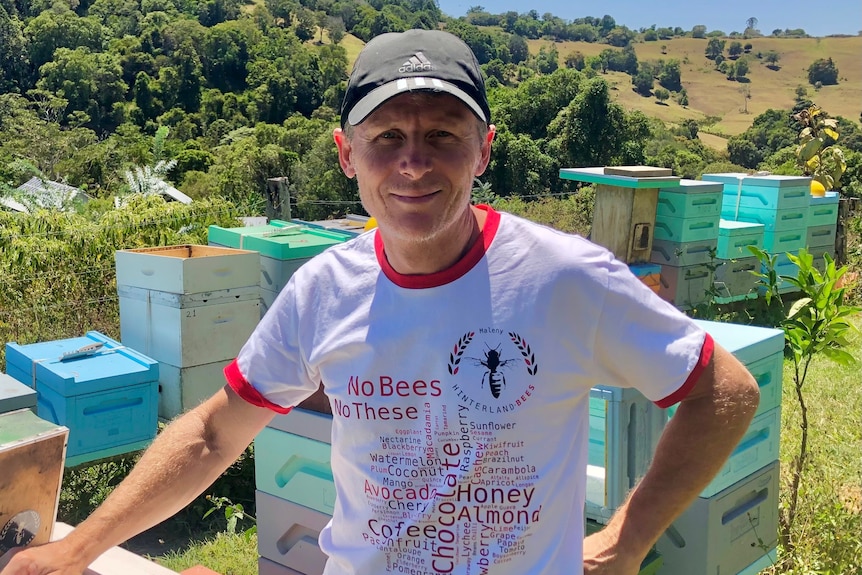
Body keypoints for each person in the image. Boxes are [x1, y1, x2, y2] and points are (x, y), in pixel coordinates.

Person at [0, 29, 759, 575]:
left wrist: (625, 540)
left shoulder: (566, 278)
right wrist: (75, 550)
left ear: (485, 148)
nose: (414, 163)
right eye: (387, 136)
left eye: (444, 135)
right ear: (346, 153)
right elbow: (210, 435)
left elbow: (724, 390)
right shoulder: (323, 289)